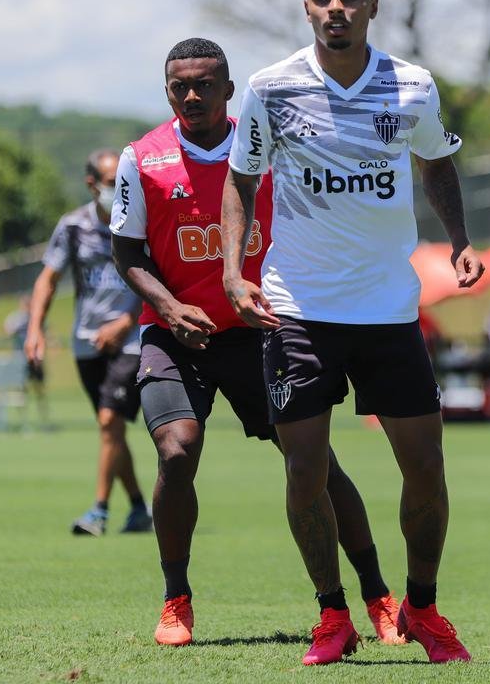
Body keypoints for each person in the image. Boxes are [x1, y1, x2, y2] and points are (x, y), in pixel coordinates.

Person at [221, 0, 485, 666]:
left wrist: (458, 238)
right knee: (304, 468)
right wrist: (233, 271)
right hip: (298, 306)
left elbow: (436, 163)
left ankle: (423, 609)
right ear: (306, 6)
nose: (335, 8)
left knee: (426, 466)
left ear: (373, 3)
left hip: (388, 310)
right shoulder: (271, 89)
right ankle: (332, 615)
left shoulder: (413, 86)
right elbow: (241, 181)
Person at [110, 37, 402, 648]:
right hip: (173, 334)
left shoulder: (267, 146)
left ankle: (377, 597)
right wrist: (168, 305)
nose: (191, 95)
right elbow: (127, 251)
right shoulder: (142, 158)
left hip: (260, 333)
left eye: (205, 84)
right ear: (168, 91)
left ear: (228, 87)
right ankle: (175, 600)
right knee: (177, 452)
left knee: (316, 465)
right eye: (179, 86)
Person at [24, 151, 152, 537]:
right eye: (111, 183)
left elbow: (158, 279)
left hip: (131, 339)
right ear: (92, 184)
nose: (118, 189)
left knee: (110, 419)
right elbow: (48, 279)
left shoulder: (139, 221)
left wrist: (125, 322)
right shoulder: (73, 226)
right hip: (86, 342)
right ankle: (138, 508)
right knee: (110, 429)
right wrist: (35, 329)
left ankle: (99, 511)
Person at [4, 294, 48, 423]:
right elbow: (7, 331)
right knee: (22, 391)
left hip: (35, 360)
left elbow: (46, 333)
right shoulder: (16, 318)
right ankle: (23, 421)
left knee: (39, 390)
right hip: (20, 360)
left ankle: (44, 419)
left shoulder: (37, 318)